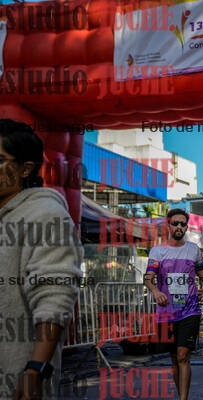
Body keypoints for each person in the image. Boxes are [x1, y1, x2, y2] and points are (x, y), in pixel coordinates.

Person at [0, 120, 84, 400]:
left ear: (25, 169)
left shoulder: (46, 215)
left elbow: (54, 296)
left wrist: (35, 369)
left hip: (15, 379)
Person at [144, 208, 203, 400]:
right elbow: (148, 277)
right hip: (166, 312)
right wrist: (156, 292)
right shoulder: (157, 251)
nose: (179, 226)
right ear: (168, 226)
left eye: (183, 224)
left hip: (190, 311)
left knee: (183, 355)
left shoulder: (193, 249)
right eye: (175, 223)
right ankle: (181, 395)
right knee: (174, 359)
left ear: (186, 227)